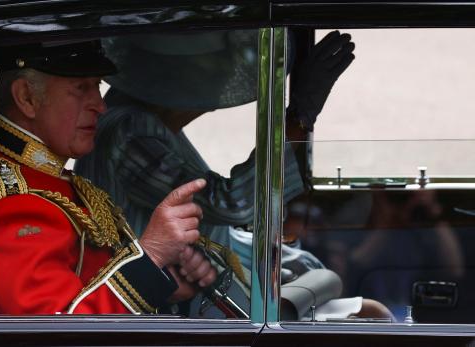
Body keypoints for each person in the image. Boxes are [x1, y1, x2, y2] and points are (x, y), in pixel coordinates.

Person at [75, 30, 393, 320]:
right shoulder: (129, 130)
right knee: (372, 315)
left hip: (204, 289)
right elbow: (231, 203)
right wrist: (298, 115)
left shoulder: (146, 126)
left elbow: (214, 219)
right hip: (183, 301)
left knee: (358, 304)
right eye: (211, 75)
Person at [0, 40, 217, 315]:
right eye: (81, 88)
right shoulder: (13, 207)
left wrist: (159, 278)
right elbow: (58, 333)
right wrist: (152, 255)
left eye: (97, 86)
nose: (100, 106)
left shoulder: (32, 171)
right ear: (27, 97)